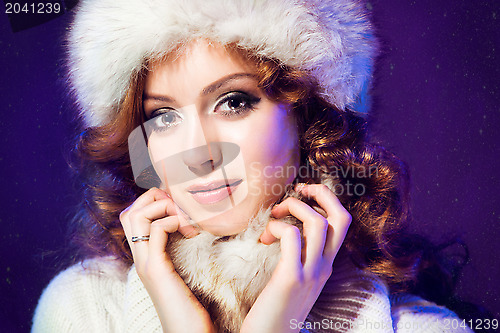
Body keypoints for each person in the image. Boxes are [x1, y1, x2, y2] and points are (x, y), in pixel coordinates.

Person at [32, 0, 474, 332]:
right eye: (162, 117)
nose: (197, 153)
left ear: (307, 117)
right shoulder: (83, 308)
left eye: (234, 102)